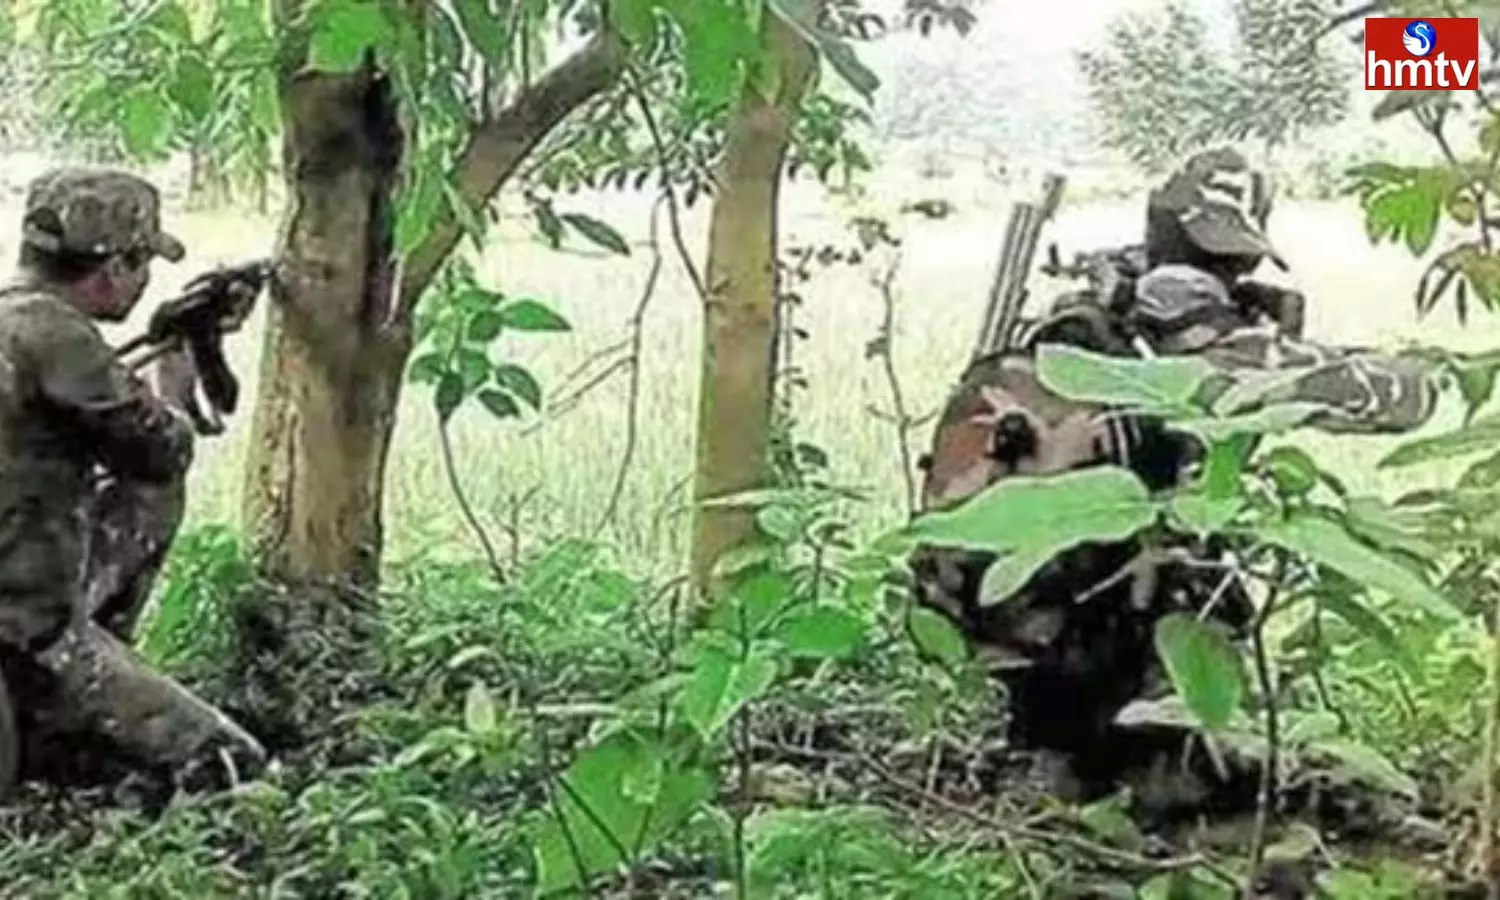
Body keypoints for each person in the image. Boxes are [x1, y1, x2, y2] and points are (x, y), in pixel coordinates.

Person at [907, 146, 1445, 808]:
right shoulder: (1197, 339)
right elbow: (1401, 400)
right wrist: (1438, 370)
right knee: (1201, 580)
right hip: (1094, 636)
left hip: (988, 624)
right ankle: (1173, 773)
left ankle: (1060, 761)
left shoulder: (1080, 323)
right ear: (1242, 254)